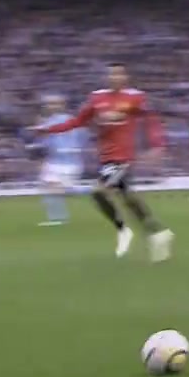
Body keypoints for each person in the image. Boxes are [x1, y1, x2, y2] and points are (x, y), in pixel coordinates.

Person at [33, 64, 174, 262]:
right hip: (106, 157)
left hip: (123, 158)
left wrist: (157, 144)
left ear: (125, 77)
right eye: (111, 73)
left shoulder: (135, 97)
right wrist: (48, 130)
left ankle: (123, 230)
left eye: (119, 73)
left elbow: (151, 120)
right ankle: (159, 234)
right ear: (107, 77)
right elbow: (77, 122)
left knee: (98, 191)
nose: (115, 77)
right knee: (129, 200)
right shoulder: (97, 98)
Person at [35, 94, 87, 226]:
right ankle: (57, 219)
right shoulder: (51, 121)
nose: (51, 106)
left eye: (54, 103)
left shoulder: (60, 122)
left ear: (63, 105)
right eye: (49, 104)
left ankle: (92, 190)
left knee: (61, 190)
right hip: (55, 161)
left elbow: (80, 139)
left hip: (67, 162)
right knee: (49, 188)